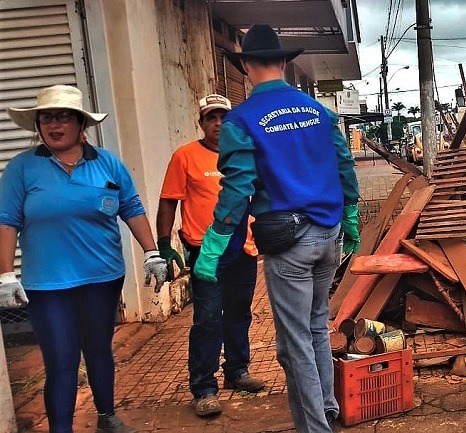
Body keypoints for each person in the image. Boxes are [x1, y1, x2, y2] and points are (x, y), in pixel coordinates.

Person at [193, 24, 360, 433]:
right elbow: (345, 167)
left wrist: (213, 244)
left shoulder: (242, 119)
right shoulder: (320, 112)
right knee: (317, 325)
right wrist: (351, 218)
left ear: (246, 65)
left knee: (293, 344)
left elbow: (237, 188)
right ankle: (328, 410)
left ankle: (314, 427)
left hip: (288, 243)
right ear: (284, 62)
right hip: (329, 235)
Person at [0, 85, 168, 433]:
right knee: (61, 360)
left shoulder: (107, 163)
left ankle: (106, 416)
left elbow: (132, 208)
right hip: (47, 285)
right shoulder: (22, 169)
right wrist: (5, 275)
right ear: (38, 125)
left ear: (81, 124)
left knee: (98, 350)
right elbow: (6, 221)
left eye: (63, 117)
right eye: (46, 118)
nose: (54, 124)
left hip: (102, 278)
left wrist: (152, 252)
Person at [156, 93, 264, 418]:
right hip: (206, 253)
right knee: (206, 319)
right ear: (201, 123)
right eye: (211, 118)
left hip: (243, 248)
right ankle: (203, 387)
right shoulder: (184, 156)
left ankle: (237, 371)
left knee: (239, 312)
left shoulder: (245, 154)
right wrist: (163, 242)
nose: (218, 124)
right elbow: (168, 201)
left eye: (223, 118)